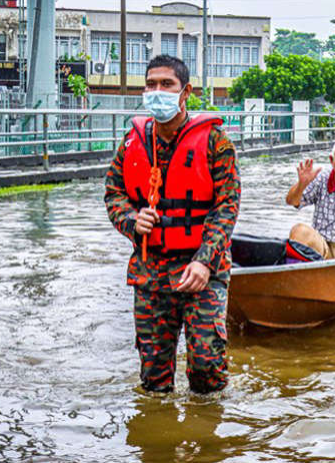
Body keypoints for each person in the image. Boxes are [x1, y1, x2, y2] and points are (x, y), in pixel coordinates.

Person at [104, 55, 240, 394]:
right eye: (151, 84)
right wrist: (131, 220)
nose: (156, 91)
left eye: (166, 84)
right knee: (153, 379)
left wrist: (205, 261)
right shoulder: (132, 142)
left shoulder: (215, 142)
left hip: (201, 270)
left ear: (186, 92)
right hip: (151, 271)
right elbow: (113, 194)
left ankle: (209, 436)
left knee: (206, 366)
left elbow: (227, 206)